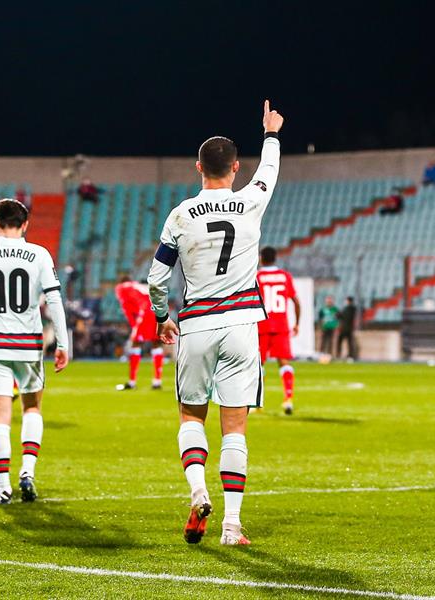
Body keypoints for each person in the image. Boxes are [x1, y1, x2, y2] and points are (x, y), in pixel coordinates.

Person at [147, 100, 283, 546]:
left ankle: (198, 492)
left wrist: (163, 317)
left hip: (198, 325)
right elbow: (269, 173)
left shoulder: (181, 214)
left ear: (198, 168)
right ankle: (231, 525)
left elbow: (156, 276)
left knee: (191, 415)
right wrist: (271, 134)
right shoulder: (250, 201)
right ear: (236, 168)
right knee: (236, 426)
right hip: (242, 324)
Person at [0, 199, 70, 504]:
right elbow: (55, 300)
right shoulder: (38, 254)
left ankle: (3, 487)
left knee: (0, 418)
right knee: (32, 408)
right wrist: (63, 342)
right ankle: (27, 473)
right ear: (26, 224)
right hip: (28, 345)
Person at [255, 246, 301, 415]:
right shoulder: (284, 276)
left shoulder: (256, 276)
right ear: (275, 258)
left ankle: (257, 403)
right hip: (281, 325)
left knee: (258, 364)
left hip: (261, 325)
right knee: (284, 363)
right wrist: (297, 324)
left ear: (261, 258)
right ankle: (288, 399)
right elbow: (296, 301)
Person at [114, 276, 164, 390]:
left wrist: (134, 326)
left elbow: (126, 307)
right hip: (158, 309)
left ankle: (132, 382)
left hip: (146, 311)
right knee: (156, 343)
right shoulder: (139, 286)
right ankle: (157, 381)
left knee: (136, 343)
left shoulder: (121, 287)